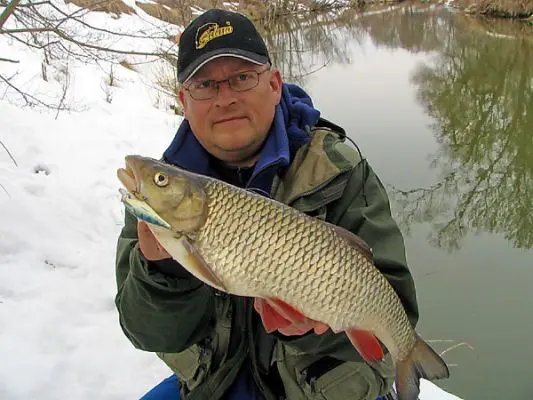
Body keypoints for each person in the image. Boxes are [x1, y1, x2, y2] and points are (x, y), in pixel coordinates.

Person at [114, 8, 419, 400]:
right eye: (205, 85)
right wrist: (161, 269)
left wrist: (314, 330)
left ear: (274, 84)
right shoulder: (162, 193)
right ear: (184, 101)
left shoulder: (338, 172)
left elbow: (396, 313)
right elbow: (147, 331)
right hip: (214, 384)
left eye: (242, 77)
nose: (225, 98)